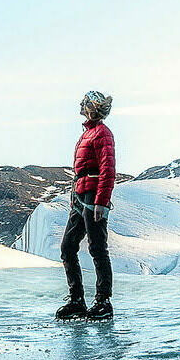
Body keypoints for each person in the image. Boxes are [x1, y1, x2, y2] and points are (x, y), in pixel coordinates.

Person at [55, 91, 116, 322]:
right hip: (81, 196)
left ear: (92, 107)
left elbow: (108, 169)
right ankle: (77, 300)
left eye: (84, 102)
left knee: (98, 248)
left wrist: (101, 201)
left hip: (92, 196)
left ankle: (103, 302)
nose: (80, 104)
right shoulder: (90, 133)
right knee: (68, 247)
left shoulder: (102, 134)